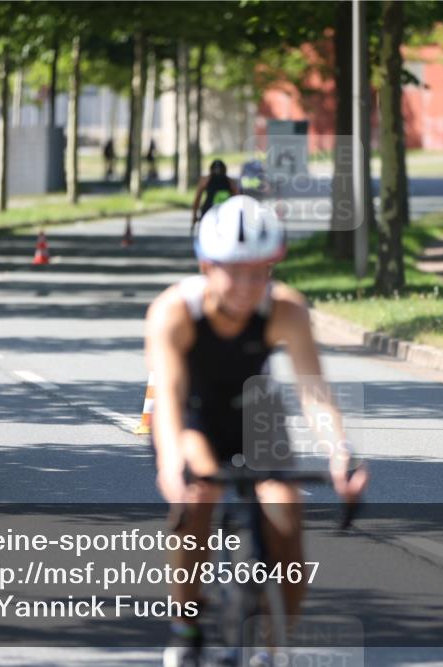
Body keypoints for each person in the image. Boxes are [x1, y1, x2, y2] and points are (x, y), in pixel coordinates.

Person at [144, 195, 368, 666]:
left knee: (286, 511)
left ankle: (273, 646)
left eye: (259, 272)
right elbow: (169, 396)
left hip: (254, 412)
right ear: (207, 265)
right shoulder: (174, 312)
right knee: (198, 495)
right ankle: (186, 627)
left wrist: (340, 452)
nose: (247, 286)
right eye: (234, 272)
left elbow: (313, 391)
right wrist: (171, 466)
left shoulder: (286, 309)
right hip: (194, 417)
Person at [190, 159, 238, 233]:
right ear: (225, 170)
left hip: (208, 211)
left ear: (210, 170)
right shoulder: (230, 182)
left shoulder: (205, 180)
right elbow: (237, 199)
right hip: (225, 212)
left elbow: (197, 199)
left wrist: (194, 215)